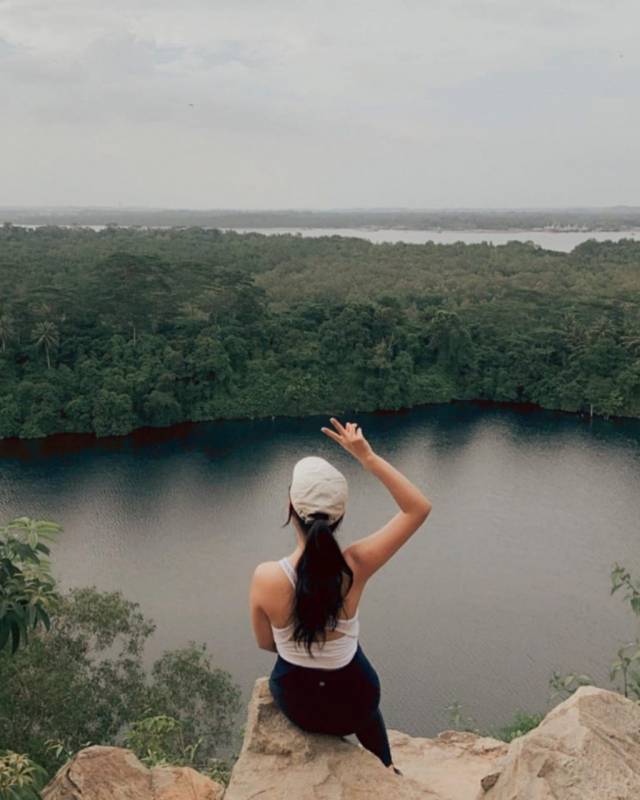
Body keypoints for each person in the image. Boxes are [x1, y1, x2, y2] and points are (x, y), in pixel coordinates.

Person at [249, 417, 432, 775]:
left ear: (290, 507)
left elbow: (265, 644)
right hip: (356, 703)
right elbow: (418, 508)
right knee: (355, 682)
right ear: (340, 515)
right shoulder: (356, 566)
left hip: (298, 704)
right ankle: (386, 768)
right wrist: (367, 458)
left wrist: (304, 642)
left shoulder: (267, 577)